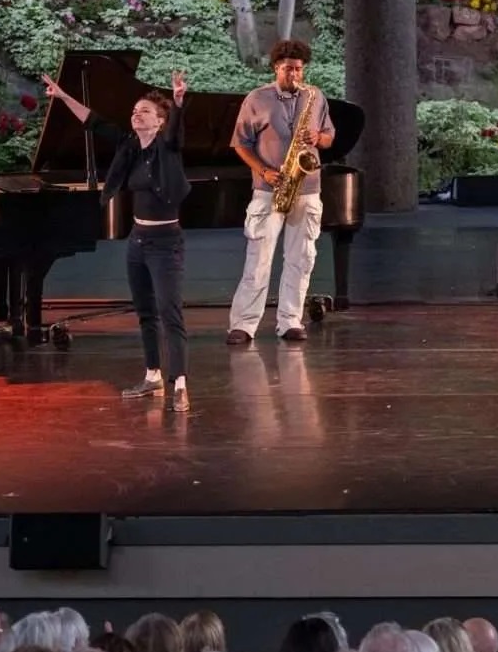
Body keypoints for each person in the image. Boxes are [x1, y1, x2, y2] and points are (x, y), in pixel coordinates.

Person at [43, 70, 192, 409]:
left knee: (170, 312)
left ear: (159, 121)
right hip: (138, 241)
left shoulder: (168, 147)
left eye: (145, 112)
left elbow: (177, 131)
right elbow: (94, 122)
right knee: (146, 312)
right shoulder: (130, 145)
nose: (136, 115)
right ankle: (152, 376)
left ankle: (180, 384)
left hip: (166, 243)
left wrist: (178, 101)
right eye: (135, 111)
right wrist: (64, 97)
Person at [227, 39, 335, 345]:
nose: (294, 75)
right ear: (276, 67)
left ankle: (290, 321)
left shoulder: (315, 96)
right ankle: (243, 324)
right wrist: (263, 171)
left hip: (307, 188)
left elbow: (329, 137)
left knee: (302, 259)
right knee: (258, 259)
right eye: (288, 69)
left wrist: (317, 137)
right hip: (269, 188)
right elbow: (239, 144)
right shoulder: (257, 98)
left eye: (298, 69)